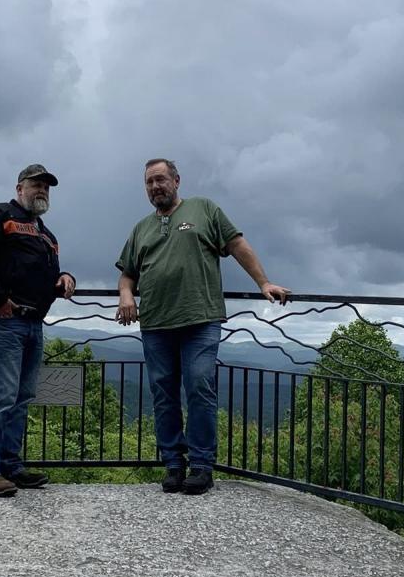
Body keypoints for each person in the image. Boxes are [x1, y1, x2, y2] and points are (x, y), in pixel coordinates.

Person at [115, 158, 290, 495]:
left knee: (198, 387)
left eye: (161, 179)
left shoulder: (204, 209)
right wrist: (126, 295)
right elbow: (128, 274)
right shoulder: (141, 228)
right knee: (163, 395)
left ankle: (201, 465)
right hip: (155, 323)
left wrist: (263, 283)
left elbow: (237, 245)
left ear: (177, 180)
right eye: (149, 182)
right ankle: (173, 465)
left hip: (200, 318)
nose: (155, 187)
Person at [0, 163, 76, 496]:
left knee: (21, 398)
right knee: (2, 397)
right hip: (4, 321)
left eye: (46, 187)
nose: (42, 190)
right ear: (19, 188)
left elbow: (48, 274)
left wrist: (65, 277)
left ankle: (10, 466)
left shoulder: (47, 234)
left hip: (33, 323)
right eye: (35, 184)